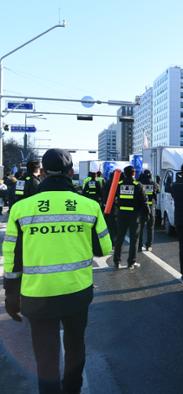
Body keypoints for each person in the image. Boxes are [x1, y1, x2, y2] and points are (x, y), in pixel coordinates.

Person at [2, 148, 112, 394]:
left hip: (36, 295)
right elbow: (104, 248)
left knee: (45, 354)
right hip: (77, 292)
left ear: (42, 172)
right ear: (70, 172)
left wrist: (11, 295)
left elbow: (11, 257)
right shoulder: (89, 206)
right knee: (75, 346)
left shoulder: (22, 208)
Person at [112, 166, 148, 270]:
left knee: (119, 238)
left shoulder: (118, 185)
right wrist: (147, 214)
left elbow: (113, 198)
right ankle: (131, 263)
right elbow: (144, 201)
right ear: (133, 173)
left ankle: (116, 262)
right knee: (134, 240)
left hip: (121, 215)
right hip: (134, 216)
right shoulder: (138, 185)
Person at [137, 169, 158, 252]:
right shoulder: (153, 184)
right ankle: (148, 245)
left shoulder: (139, 184)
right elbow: (158, 190)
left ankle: (139, 245)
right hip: (151, 208)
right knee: (150, 228)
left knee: (140, 228)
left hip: (141, 208)